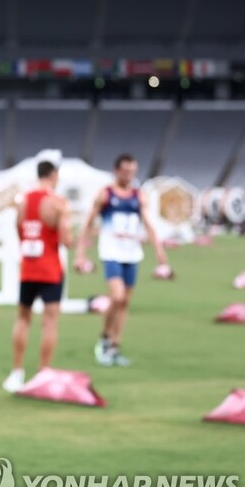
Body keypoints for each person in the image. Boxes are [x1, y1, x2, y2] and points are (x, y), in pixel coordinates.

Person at [74, 153, 168, 366]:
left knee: (125, 302)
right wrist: (81, 253)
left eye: (132, 172)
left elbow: (149, 224)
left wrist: (159, 251)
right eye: (125, 171)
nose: (129, 175)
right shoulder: (105, 195)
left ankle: (116, 346)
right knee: (116, 297)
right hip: (111, 253)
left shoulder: (138, 195)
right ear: (116, 170)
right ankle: (105, 338)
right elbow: (88, 223)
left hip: (132, 254)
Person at [3, 161, 73, 393]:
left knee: (23, 318)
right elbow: (66, 240)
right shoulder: (58, 203)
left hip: (29, 269)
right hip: (51, 269)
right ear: (54, 176)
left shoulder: (23, 201)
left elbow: (18, 228)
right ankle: (43, 372)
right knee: (50, 321)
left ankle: (16, 372)